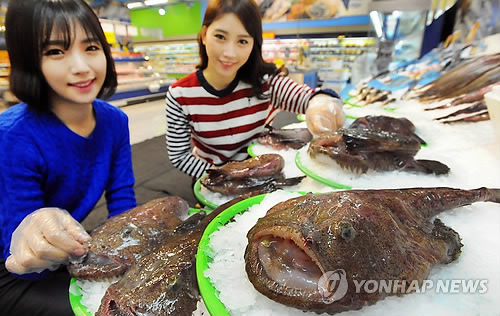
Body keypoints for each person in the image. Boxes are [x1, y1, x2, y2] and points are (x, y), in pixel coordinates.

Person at [0, 0, 137, 315]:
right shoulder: (13, 135)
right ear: (29, 61)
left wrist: (133, 252)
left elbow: (122, 198)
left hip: (69, 253)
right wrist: (40, 229)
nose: (82, 67)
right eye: (56, 52)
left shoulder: (114, 121)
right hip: (15, 268)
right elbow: (20, 245)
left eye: (90, 47)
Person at [166, 0, 346, 180]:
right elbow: (179, 155)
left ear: (254, 44)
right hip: (211, 178)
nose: (229, 52)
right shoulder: (180, 95)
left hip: (262, 174)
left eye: (242, 41)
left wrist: (322, 103)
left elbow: (309, 97)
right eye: (220, 37)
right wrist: (223, 176)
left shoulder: (266, 84)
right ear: (204, 35)